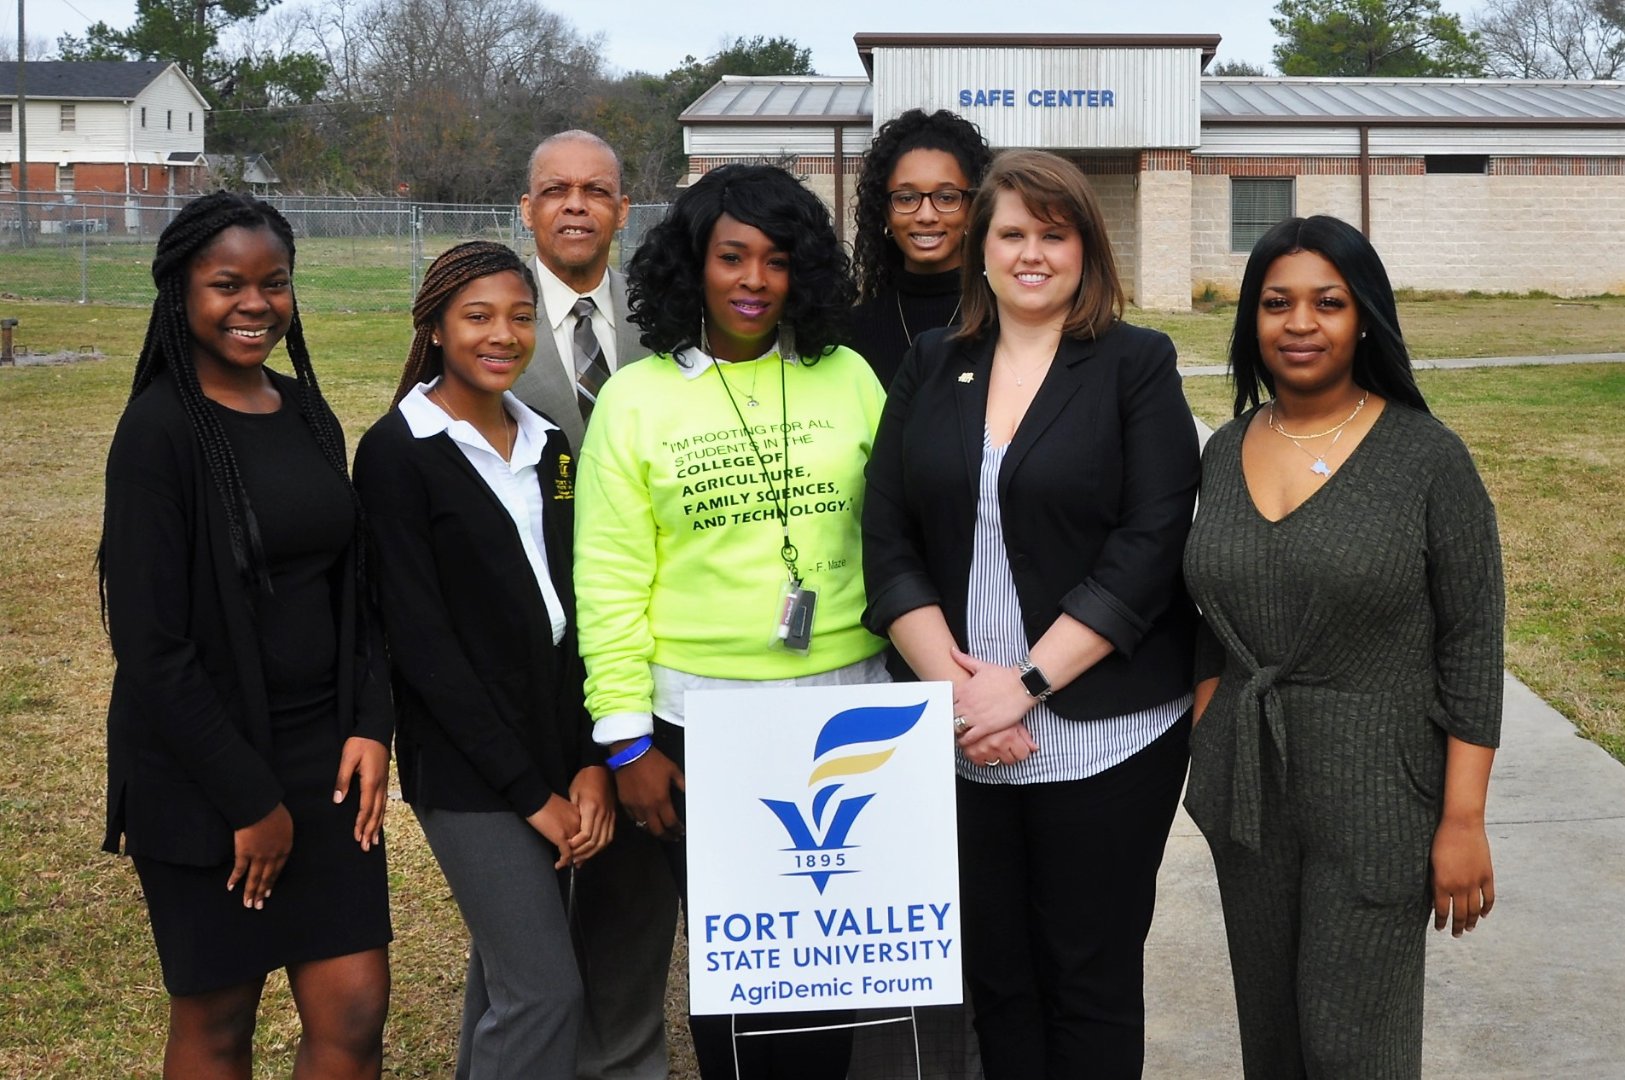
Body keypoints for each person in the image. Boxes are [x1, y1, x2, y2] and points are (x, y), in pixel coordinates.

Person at [862, 150, 1200, 1080]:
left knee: (1086, 983)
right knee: (999, 983)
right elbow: (885, 536)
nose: (1032, 254)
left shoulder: (1135, 363)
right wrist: (962, 694)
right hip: (959, 734)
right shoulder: (934, 363)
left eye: (1055, 234)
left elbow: (1150, 541)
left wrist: (1027, 686)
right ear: (981, 248)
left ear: (1087, 248)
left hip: (1104, 734)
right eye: (1012, 234)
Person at [574, 162, 887, 1080]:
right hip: (697, 724)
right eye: (732, 256)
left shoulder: (851, 378)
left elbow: (904, 537)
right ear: (691, 265)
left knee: (832, 965)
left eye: (777, 260)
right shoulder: (636, 399)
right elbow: (610, 577)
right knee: (739, 974)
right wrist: (627, 742)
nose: (754, 281)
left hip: (845, 708)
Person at [1182, 215, 1503, 1079]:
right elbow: (1206, 614)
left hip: (1378, 788)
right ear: (1250, 319)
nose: (1299, 323)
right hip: (1249, 781)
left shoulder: (1426, 458)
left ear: (1363, 316)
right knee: (1271, 1031)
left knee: (1355, 1036)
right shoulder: (1223, 448)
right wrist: (1210, 738)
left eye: (1327, 302)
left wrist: (1461, 819)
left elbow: (1472, 645)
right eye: (1275, 303)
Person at [99, 191, 392, 1078]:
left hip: (324, 760)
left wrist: (369, 722)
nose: (255, 304)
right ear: (179, 291)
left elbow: (357, 589)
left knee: (353, 1011)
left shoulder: (307, 413)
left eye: (275, 283)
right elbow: (151, 650)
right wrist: (248, 802)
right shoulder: (157, 432)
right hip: (203, 770)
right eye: (228, 284)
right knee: (219, 1019)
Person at [351, 242, 609, 1078]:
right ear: (432, 327)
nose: (503, 335)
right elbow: (423, 648)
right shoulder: (398, 452)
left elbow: (579, 614)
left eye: (520, 317)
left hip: (555, 752)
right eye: (478, 317)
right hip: (470, 770)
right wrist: (530, 794)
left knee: (507, 981)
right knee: (544, 994)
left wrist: (588, 765)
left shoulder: (551, 445)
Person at [511, 128, 679, 1080]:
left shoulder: (668, 327)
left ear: (624, 208)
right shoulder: (485, 317)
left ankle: (623, 1061)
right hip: (526, 664)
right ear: (526, 208)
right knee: (527, 925)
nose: (575, 205)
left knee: (628, 906)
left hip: (643, 653)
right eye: (555, 190)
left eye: (596, 190)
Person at [848, 108, 992, 389]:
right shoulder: (851, 333)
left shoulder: (1004, 321)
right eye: (906, 198)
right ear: (885, 212)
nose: (926, 215)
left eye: (947, 196)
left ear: (973, 208)